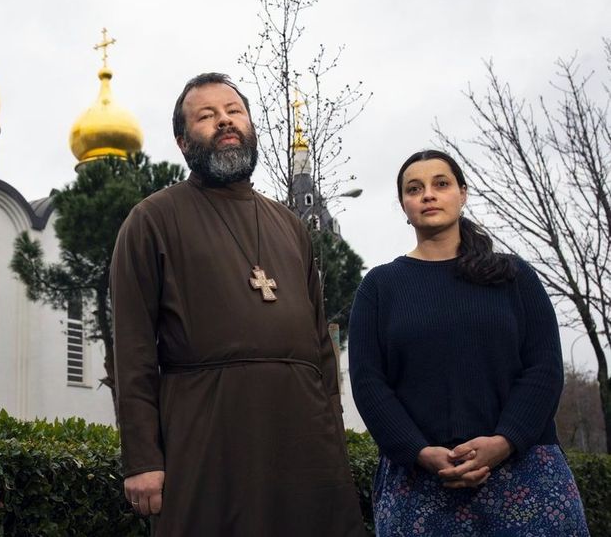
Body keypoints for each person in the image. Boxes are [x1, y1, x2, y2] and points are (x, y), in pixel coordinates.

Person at [110, 72, 366, 535]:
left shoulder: (289, 225)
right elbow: (133, 352)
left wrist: (332, 428)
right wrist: (142, 458)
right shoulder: (152, 220)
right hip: (207, 440)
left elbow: (320, 344)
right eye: (207, 116)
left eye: (235, 112)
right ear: (183, 141)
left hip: (305, 442)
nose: (225, 122)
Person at [349, 149, 590, 536]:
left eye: (440, 184)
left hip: (525, 475)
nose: (428, 194)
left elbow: (544, 368)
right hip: (419, 487)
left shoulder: (514, 276)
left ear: (462, 194)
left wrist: (505, 440)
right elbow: (368, 382)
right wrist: (418, 452)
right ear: (404, 205)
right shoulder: (379, 288)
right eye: (415, 188)